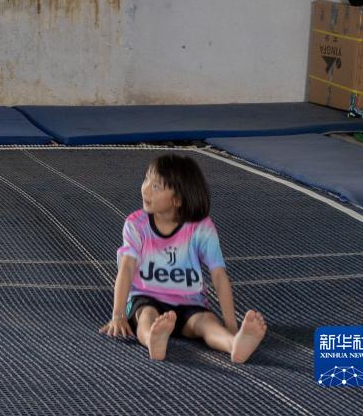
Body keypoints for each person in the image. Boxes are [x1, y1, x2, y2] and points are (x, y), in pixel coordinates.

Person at [98, 154, 266, 362]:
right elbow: (126, 268)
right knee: (146, 317)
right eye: (146, 179)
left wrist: (231, 325)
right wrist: (118, 315)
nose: (145, 189)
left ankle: (234, 344)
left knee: (206, 323)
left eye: (156, 186)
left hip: (189, 302)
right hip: (146, 297)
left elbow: (219, 275)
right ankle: (153, 339)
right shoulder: (136, 224)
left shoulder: (201, 227)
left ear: (177, 200)